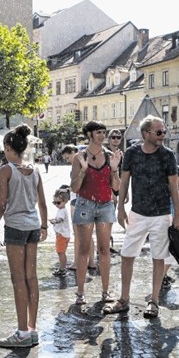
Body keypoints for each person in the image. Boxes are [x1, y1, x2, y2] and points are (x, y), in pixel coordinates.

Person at [104, 115, 179, 319]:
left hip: (161, 214)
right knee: (127, 255)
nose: (162, 136)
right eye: (159, 132)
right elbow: (124, 182)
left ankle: (154, 301)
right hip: (137, 213)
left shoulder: (167, 155)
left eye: (163, 132)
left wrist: (178, 215)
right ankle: (124, 299)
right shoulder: (131, 153)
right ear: (145, 134)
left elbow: (173, 187)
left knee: (158, 258)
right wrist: (120, 207)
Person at [0, 124, 48, 348]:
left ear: (9, 147)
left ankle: (22, 332)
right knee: (32, 277)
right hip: (32, 226)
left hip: (15, 227)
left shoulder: (7, 170)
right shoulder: (35, 169)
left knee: (18, 279)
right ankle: (32, 329)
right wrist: (44, 227)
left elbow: (1, 204)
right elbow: (42, 202)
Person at [70, 121, 121, 306]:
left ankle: (106, 292)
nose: (102, 136)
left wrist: (115, 169)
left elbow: (116, 188)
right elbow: (74, 187)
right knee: (83, 250)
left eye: (103, 132)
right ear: (90, 134)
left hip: (106, 204)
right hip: (85, 204)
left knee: (104, 249)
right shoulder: (79, 157)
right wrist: (83, 170)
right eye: (98, 132)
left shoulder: (110, 156)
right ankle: (80, 293)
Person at [61, 145, 97, 272]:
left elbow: (78, 183)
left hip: (78, 200)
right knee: (89, 233)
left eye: (67, 157)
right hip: (88, 199)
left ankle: (76, 262)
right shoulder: (87, 158)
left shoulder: (78, 159)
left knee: (77, 234)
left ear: (72, 152)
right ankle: (92, 261)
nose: (68, 160)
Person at [162, 166, 179, 290]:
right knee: (172, 253)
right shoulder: (171, 190)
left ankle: (163, 275)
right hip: (169, 225)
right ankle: (161, 277)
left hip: (172, 225)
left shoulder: (177, 190)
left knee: (171, 252)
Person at [50, 186, 71, 277]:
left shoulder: (62, 211)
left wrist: (54, 221)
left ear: (65, 201)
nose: (56, 205)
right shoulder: (61, 210)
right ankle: (63, 267)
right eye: (54, 202)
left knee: (61, 252)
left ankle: (63, 268)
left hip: (62, 236)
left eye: (58, 202)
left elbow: (60, 220)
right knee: (61, 252)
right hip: (63, 235)